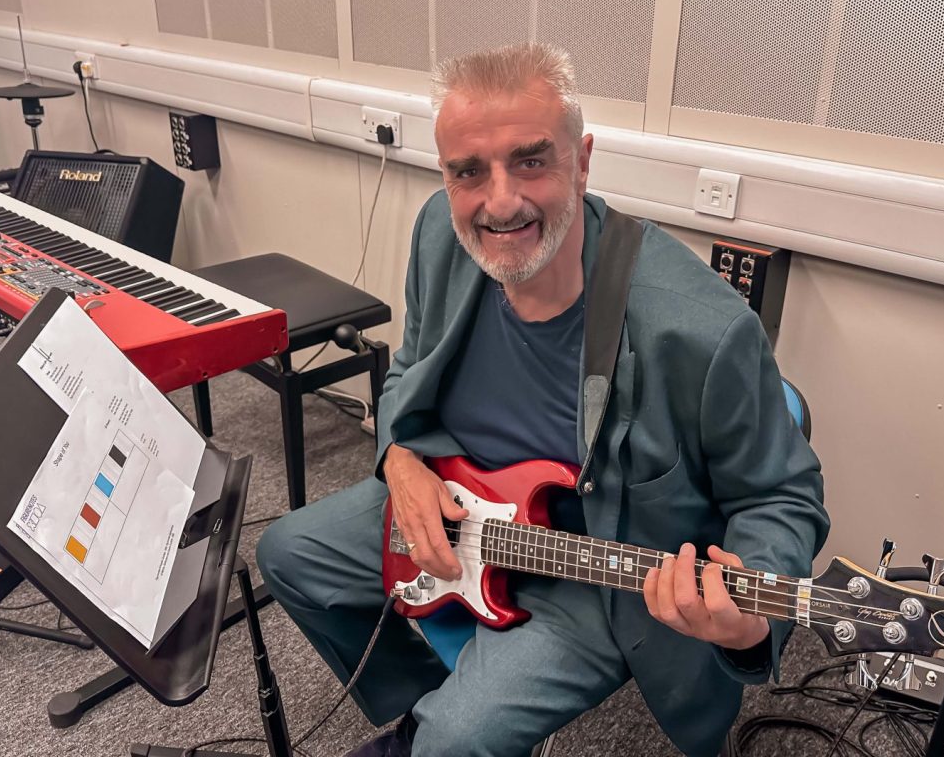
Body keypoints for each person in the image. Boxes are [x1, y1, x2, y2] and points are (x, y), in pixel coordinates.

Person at [257, 42, 829, 757]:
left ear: (582, 160)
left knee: (458, 742)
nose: (500, 202)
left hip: (595, 574)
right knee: (288, 554)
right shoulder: (440, 230)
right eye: (469, 172)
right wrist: (400, 461)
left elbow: (784, 495)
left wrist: (751, 621)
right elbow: (409, 368)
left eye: (531, 160)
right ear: (446, 174)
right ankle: (420, 707)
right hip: (464, 507)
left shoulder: (701, 331)